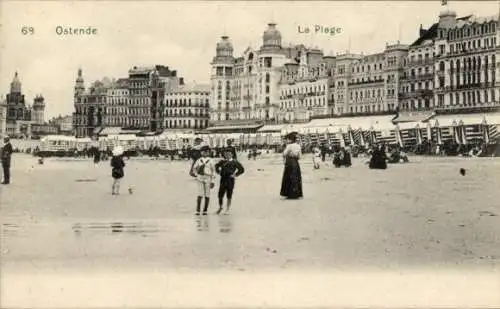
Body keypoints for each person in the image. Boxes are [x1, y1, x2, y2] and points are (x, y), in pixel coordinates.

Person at [215, 150, 245, 214]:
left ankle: (227, 209)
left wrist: (235, 175)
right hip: (223, 179)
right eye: (226, 154)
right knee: (220, 194)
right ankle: (220, 207)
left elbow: (242, 169)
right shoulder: (222, 161)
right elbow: (216, 166)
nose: (227, 155)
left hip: (230, 180)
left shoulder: (235, 162)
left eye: (229, 154)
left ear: (232, 155)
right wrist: (218, 172)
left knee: (229, 194)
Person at [192, 145, 216, 215]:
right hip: (200, 178)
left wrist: (213, 180)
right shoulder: (199, 160)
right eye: (203, 152)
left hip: (208, 177)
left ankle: (205, 210)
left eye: (207, 152)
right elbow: (194, 168)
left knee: (207, 194)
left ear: (209, 153)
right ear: (201, 153)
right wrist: (196, 175)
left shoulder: (211, 160)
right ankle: (198, 210)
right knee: (200, 193)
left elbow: (213, 170)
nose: (205, 153)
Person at [280, 132, 303, 199]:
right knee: (296, 177)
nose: (287, 140)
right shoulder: (298, 146)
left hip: (289, 162)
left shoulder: (289, 146)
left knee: (288, 177)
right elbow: (300, 157)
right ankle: (296, 194)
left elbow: (284, 154)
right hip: (296, 162)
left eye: (288, 139)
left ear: (290, 140)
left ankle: (289, 194)